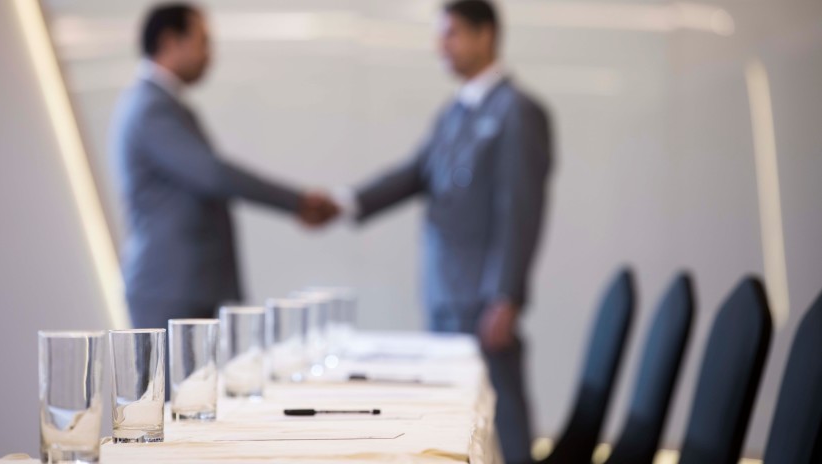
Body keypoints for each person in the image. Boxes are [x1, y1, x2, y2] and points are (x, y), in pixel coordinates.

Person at [331, 1, 553, 462]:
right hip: (445, 292)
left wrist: (505, 295)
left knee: (502, 414)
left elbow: (520, 210)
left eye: (451, 34)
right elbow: (415, 173)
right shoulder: (455, 111)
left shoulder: (517, 111)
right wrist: (345, 202)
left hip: (483, 299)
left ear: (485, 35)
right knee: (456, 419)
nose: (441, 46)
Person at [110, 3, 338, 330]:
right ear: (171, 40)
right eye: (203, 42)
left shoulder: (162, 105)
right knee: (173, 383)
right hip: (170, 288)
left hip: (183, 286)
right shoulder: (152, 108)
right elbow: (213, 174)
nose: (210, 55)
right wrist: (297, 202)